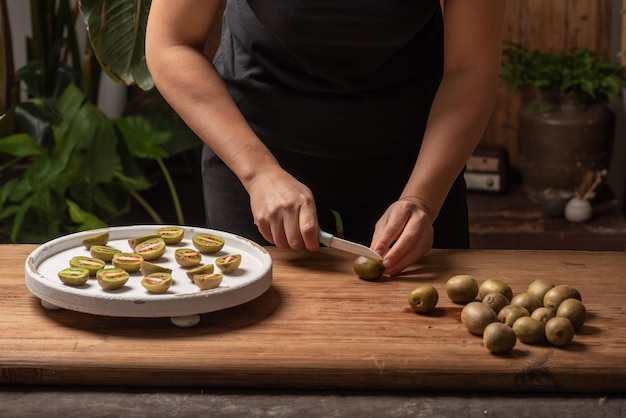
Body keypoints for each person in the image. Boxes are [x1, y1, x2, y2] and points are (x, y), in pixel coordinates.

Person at [145, 0, 505, 276]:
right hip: (255, 152)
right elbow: (171, 43)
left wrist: (422, 197)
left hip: (416, 158)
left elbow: (469, 68)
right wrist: (259, 173)